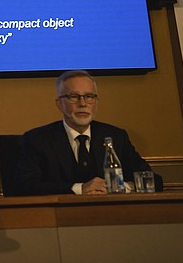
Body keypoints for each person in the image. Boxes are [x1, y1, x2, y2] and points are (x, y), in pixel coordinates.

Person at [15, 70, 156, 195]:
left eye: (89, 96)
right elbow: (26, 186)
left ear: (96, 102)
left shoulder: (116, 136)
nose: (82, 103)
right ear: (60, 104)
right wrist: (79, 188)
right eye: (73, 96)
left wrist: (119, 187)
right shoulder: (38, 139)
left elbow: (152, 179)